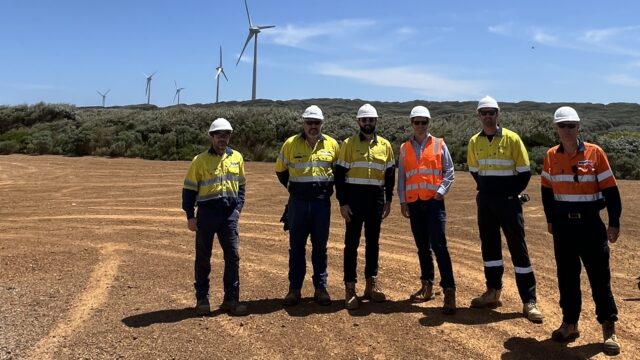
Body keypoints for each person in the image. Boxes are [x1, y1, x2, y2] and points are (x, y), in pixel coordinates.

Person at [541, 106, 622, 355]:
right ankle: (570, 323)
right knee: (567, 277)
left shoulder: (595, 153)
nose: (567, 130)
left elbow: (610, 190)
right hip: (564, 226)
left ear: (578, 127)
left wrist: (614, 222)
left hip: (590, 224)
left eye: (571, 125)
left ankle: (608, 327)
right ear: (556, 129)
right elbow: (546, 191)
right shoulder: (551, 155)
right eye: (562, 126)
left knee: (599, 278)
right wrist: (551, 219)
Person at [467, 95, 543, 323]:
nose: (488, 116)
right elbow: (474, 170)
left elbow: (524, 172)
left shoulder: (512, 139)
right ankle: (493, 292)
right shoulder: (474, 142)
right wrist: (487, 190)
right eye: (484, 113)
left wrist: (510, 194)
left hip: (509, 203)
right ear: (479, 116)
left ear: (498, 114)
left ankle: (529, 301)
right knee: (489, 248)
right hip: (486, 202)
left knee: (518, 248)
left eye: (492, 112)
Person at [275, 105, 340, 307]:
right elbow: (281, 171)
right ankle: (294, 289)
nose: (313, 126)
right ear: (303, 124)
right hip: (298, 204)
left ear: (322, 124)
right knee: (296, 248)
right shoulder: (290, 144)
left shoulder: (332, 145)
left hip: (321, 204)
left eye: (317, 123)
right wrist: (294, 189)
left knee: (320, 247)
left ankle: (320, 288)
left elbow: (338, 173)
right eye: (309, 123)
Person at [182, 118, 247, 316]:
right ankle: (202, 299)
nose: (223, 138)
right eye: (219, 135)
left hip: (228, 215)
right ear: (211, 137)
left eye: (226, 134)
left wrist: (238, 209)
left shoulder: (237, 158)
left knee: (233, 257)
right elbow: (189, 190)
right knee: (203, 258)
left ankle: (231, 300)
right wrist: (190, 216)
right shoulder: (199, 160)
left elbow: (242, 185)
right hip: (207, 214)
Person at [335, 103, 395, 310]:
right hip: (354, 202)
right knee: (351, 245)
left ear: (376, 122)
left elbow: (389, 175)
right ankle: (350, 288)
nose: (368, 123)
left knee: (373, 244)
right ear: (358, 122)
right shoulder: (348, 144)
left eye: (371, 120)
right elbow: (339, 176)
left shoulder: (385, 146)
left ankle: (371, 285)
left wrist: (389, 200)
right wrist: (342, 203)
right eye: (364, 120)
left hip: (376, 201)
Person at [397, 106, 456, 315]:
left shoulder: (439, 144)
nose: (420, 126)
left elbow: (449, 170)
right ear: (411, 123)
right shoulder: (404, 148)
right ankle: (427, 285)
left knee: (440, 246)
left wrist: (440, 191)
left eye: (424, 122)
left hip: (433, 202)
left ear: (429, 123)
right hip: (414, 203)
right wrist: (403, 201)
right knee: (422, 247)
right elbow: (402, 177)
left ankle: (449, 291)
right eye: (417, 122)